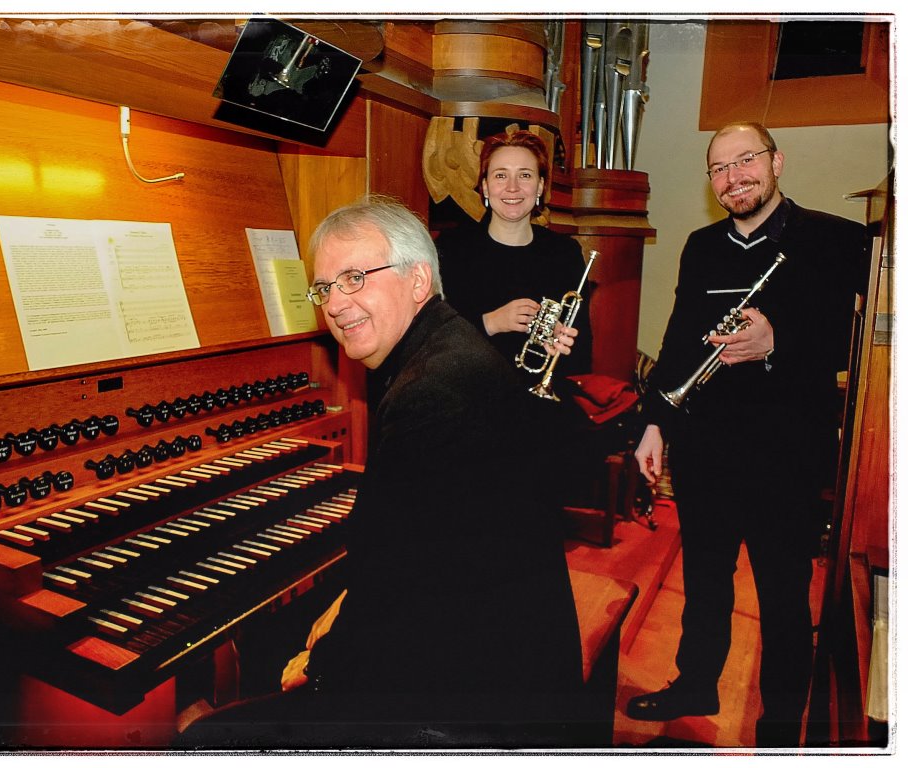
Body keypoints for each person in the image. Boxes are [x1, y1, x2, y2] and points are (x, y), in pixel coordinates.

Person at [176, 196, 584, 748]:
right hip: (499, 642)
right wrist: (345, 604)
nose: (336, 304)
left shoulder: (432, 391)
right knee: (269, 633)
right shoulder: (449, 347)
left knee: (203, 738)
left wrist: (320, 668)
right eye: (324, 288)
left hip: (471, 700)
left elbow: (399, 596)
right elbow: (419, 550)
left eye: (354, 278)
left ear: (419, 280)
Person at [625, 122, 867, 747]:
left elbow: (862, 340)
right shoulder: (702, 246)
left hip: (786, 452)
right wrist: (655, 420)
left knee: (783, 596)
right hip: (707, 446)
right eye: (719, 168)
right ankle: (695, 682)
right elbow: (680, 339)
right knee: (704, 580)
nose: (734, 177)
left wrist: (777, 342)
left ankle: (781, 728)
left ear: (776, 161)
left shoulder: (836, 240)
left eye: (746, 161)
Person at [436, 129, 593, 399]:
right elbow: (431, 342)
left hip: (539, 410)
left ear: (541, 186)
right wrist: (490, 322)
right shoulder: (451, 248)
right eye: (500, 175)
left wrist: (562, 344)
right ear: (485, 186)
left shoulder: (564, 253)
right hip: (466, 403)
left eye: (525, 175)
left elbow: (583, 352)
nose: (512, 187)